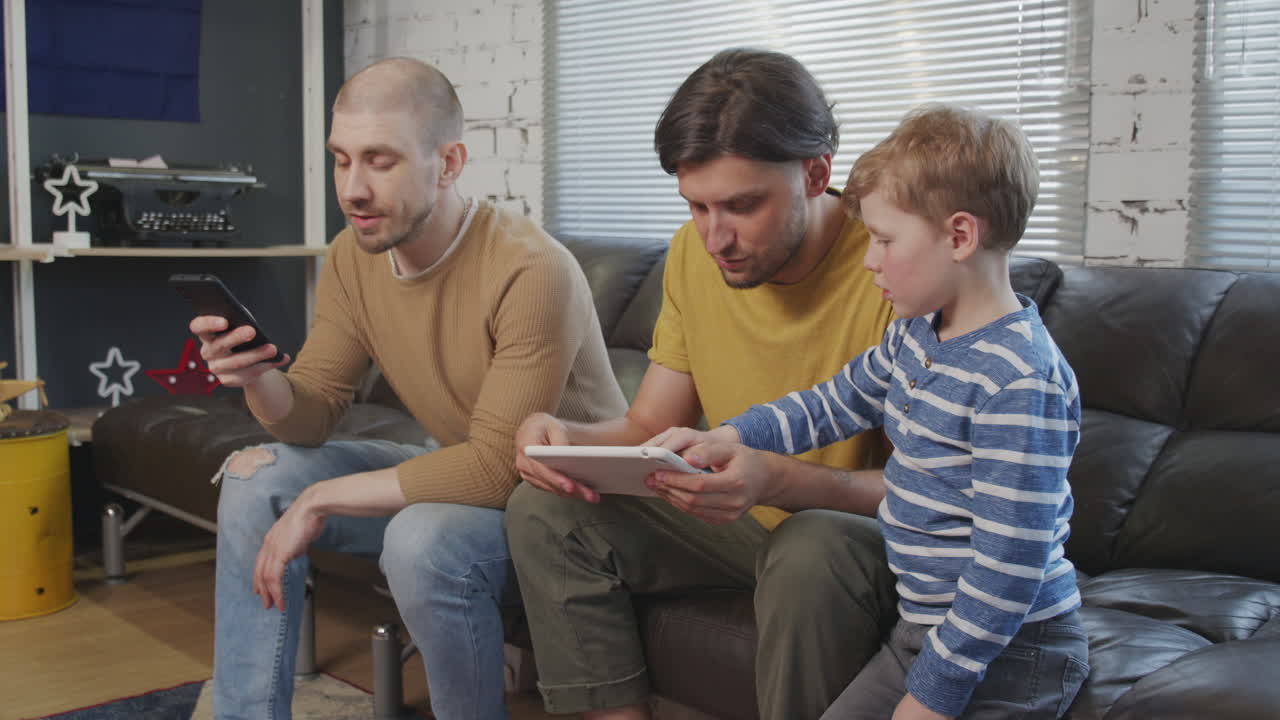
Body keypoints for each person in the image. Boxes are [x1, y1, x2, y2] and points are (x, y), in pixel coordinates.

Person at [192, 57, 627, 720]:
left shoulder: (531, 270)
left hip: (560, 505)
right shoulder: (352, 256)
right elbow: (308, 415)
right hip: (463, 476)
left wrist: (321, 498)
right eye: (341, 160)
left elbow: (493, 469)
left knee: (420, 538)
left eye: (380, 161)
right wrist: (258, 378)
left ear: (448, 163)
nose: (353, 189)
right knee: (257, 481)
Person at [653, 103, 1089, 719]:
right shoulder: (915, 334)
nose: (868, 259)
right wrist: (731, 433)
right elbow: (830, 404)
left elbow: (1008, 568)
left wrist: (933, 695)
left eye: (885, 240)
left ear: (960, 236)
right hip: (925, 630)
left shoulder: (1018, 379)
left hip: (1013, 649)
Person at [506, 48, 899, 720]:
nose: (717, 238)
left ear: (816, 172)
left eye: (743, 206)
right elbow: (646, 424)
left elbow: (928, 491)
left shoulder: (893, 264)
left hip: (851, 538)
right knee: (545, 511)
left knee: (809, 551)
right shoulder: (693, 255)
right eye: (696, 206)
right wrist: (562, 437)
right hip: (741, 523)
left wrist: (773, 479)